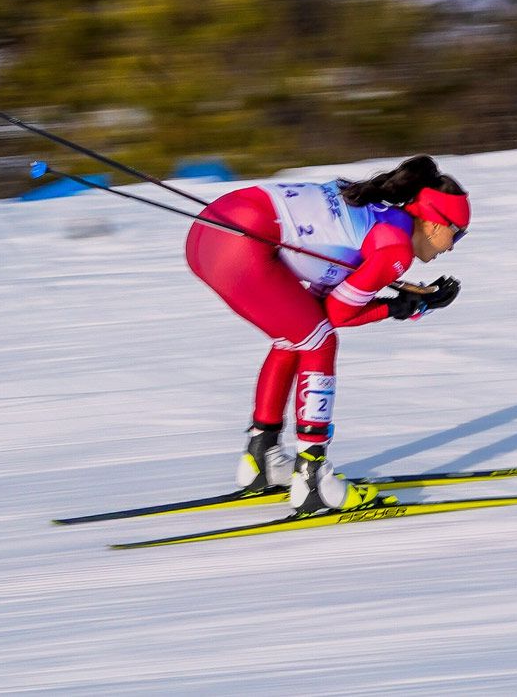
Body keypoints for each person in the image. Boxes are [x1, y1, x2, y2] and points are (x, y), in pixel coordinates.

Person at [184, 155, 468, 515]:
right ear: (432, 222)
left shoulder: (381, 211)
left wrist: (402, 297)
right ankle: (313, 478)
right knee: (320, 339)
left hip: (212, 232)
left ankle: (262, 458)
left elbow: (330, 288)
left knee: (296, 336)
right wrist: (402, 307)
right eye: (455, 233)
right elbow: (338, 314)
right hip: (240, 245)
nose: (452, 246)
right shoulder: (396, 247)